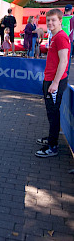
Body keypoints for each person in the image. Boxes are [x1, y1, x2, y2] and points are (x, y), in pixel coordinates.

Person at [35, 9, 70, 158]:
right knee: (51, 113)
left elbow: (64, 61)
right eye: (48, 20)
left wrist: (55, 83)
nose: (50, 23)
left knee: (53, 114)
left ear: (60, 21)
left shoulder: (61, 37)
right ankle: (51, 138)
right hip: (49, 79)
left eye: (53, 20)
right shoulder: (54, 36)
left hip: (54, 82)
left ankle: (53, 147)